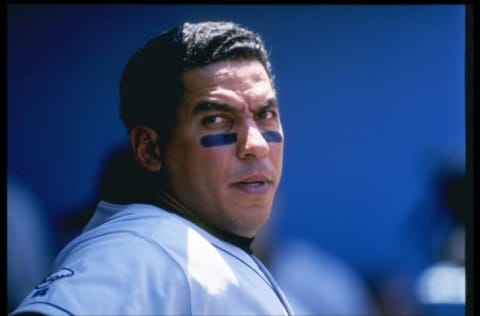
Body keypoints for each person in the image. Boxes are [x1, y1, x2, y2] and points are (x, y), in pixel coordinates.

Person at [11, 21, 292, 316]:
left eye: (266, 114)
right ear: (149, 149)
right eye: (216, 120)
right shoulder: (141, 247)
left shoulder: (187, 247)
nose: (257, 144)